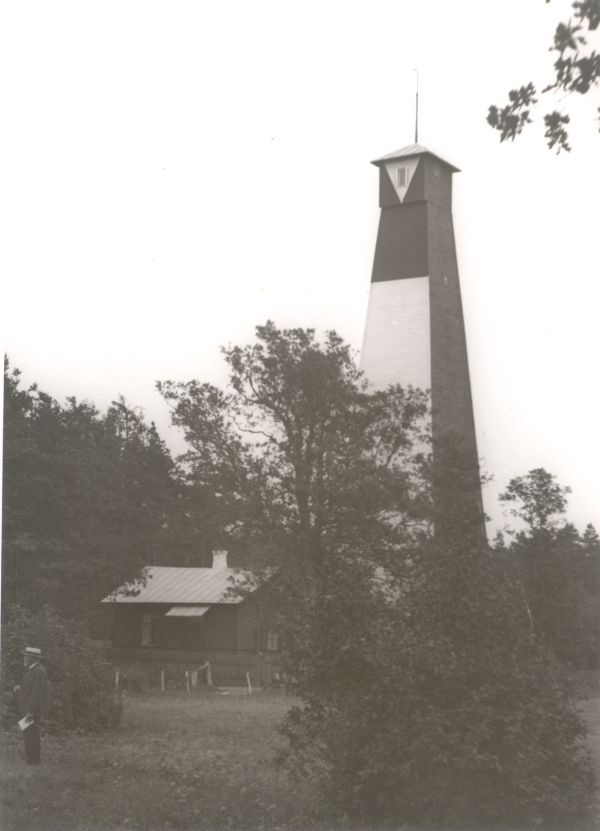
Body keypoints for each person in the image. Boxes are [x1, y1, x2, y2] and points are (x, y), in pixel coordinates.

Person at [13, 646, 49, 765]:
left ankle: (34, 763)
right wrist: (20, 688)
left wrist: (30, 711)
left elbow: (37, 693)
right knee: (29, 735)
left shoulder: (38, 671)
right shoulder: (33, 669)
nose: (24, 658)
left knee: (32, 735)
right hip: (28, 709)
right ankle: (32, 762)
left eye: (26, 656)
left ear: (33, 658)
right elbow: (31, 689)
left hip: (31, 710)